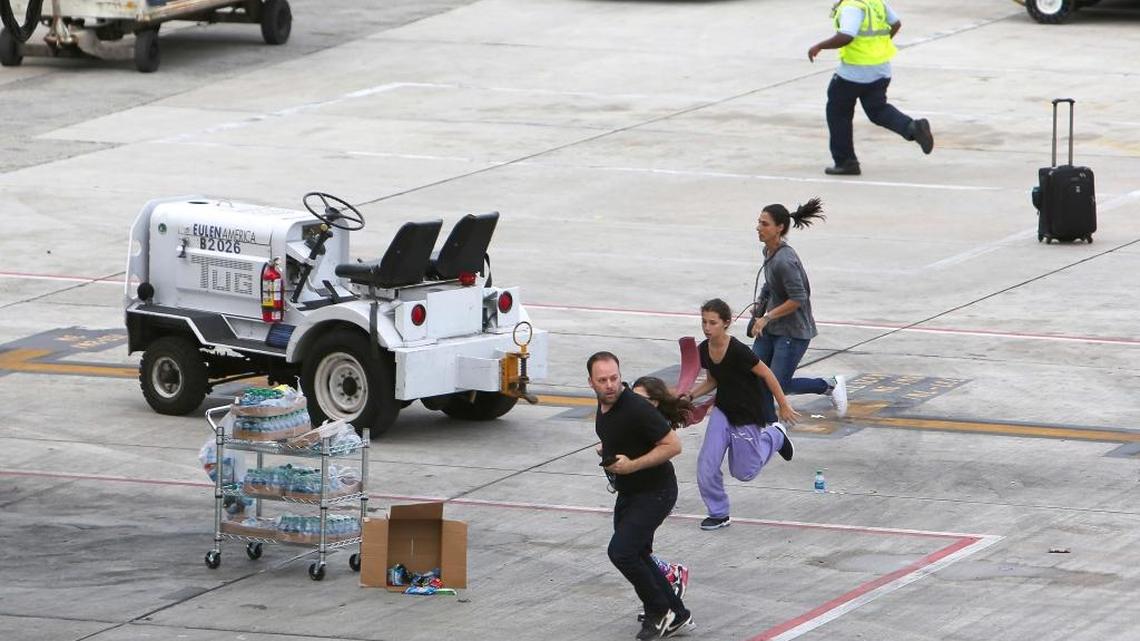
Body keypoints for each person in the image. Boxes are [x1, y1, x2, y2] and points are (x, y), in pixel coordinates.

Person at [589, 352, 694, 639]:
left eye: (614, 378)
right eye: (603, 380)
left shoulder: (635, 407)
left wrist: (632, 465)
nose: (610, 385)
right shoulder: (605, 406)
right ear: (591, 382)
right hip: (630, 492)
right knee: (636, 552)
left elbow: (673, 446)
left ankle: (660, 611)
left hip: (656, 491)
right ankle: (678, 615)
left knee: (621, 552)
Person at [680, 299, 799, 531]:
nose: (706, 327)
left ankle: (775, 436)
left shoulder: (738, 351)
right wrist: (691, 396)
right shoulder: (704, 349)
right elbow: (714, 380)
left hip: (746, 413)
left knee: (743, 472)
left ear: (726, 323)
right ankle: (719, 513)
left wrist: (783, 405)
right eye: (703, 322)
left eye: (712, 323)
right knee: (707, 464)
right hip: (723, 411)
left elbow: (768, 375)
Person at [746, 198, 848, 417]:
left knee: (778, 384)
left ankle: (828, 385)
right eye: (759, 222)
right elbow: (770, 284)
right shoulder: (768, 252)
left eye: (764, 224)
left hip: (793, 332)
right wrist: (759, 305)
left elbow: (798, 298)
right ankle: (769, 422)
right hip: (771, 328)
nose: (758, 227)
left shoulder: (785, 260)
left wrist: (767, 317)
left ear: (779, 228)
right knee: (757, 375)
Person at [807, 0, 933, 175]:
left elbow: (846, 36)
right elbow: (895, 23)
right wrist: (877, 47)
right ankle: (912, 127)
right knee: (877, 110)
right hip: (880, 69)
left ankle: (846, 161)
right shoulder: (875, 2)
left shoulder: (851, 7)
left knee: (838, 112)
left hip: (854, 71)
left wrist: (819, 46)